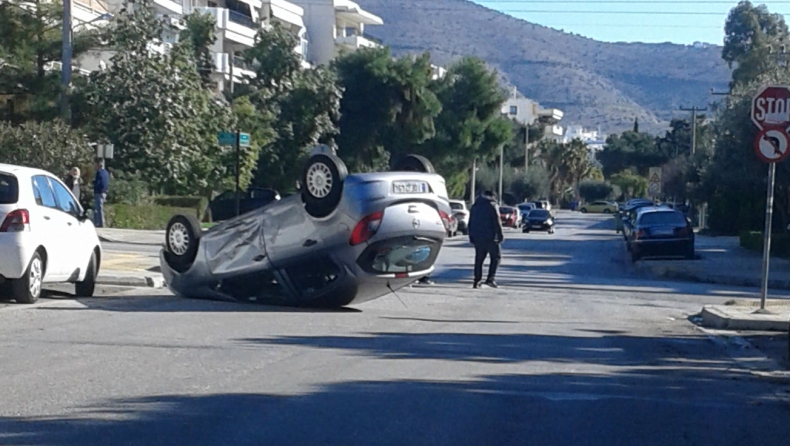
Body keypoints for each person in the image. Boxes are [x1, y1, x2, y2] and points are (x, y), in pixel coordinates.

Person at [467, 190, 504, 288]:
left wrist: (471, 236)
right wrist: (500, 235)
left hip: (478, 237)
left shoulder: (475, 206)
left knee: (479, 259)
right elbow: (497, 221)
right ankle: (490, 279)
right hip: (490, 237)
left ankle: (476, 281)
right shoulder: (492, 205)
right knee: (496, 257)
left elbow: (470, 222)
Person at [92, 158, 110, 228]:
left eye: (95, 164)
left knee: (98, 208)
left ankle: (100, 224)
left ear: (98, 164)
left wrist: (95, 187)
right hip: (104, 192)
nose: (94, 166)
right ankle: (99, 223)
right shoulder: (106, 172)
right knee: (99, 208)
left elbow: (100, 183)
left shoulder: (99, 172)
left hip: (99, 193)